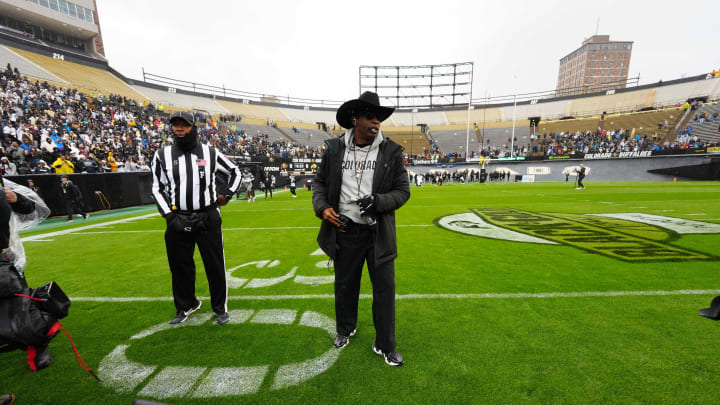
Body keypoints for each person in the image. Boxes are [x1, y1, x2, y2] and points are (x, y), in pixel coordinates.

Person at [312, 91, 410, 367]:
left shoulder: (391, 151)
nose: (376, 122)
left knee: (384, 291)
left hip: (378, 234)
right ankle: (345, 329)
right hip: (345, 230)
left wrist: (379, 202)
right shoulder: (334, 149)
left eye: (379, 117)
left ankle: (385, 345)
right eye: (370, 116)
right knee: (344, 287)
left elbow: (403, 192)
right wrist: (322, 208)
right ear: (355, 119)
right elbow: (319, 185)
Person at [151, 111, 241, 326]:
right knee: (179, 266)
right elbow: (157, 188)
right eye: (176, 125)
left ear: (193, 128)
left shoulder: (210, 152)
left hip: (207, 216)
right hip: (177, 217)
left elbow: (235, 172)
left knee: (215, 264)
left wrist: (227, 194)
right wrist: (170, 216)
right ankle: (186, 305)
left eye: (185, 125)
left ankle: (220, 308)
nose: (179, 129)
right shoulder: (161, 155)